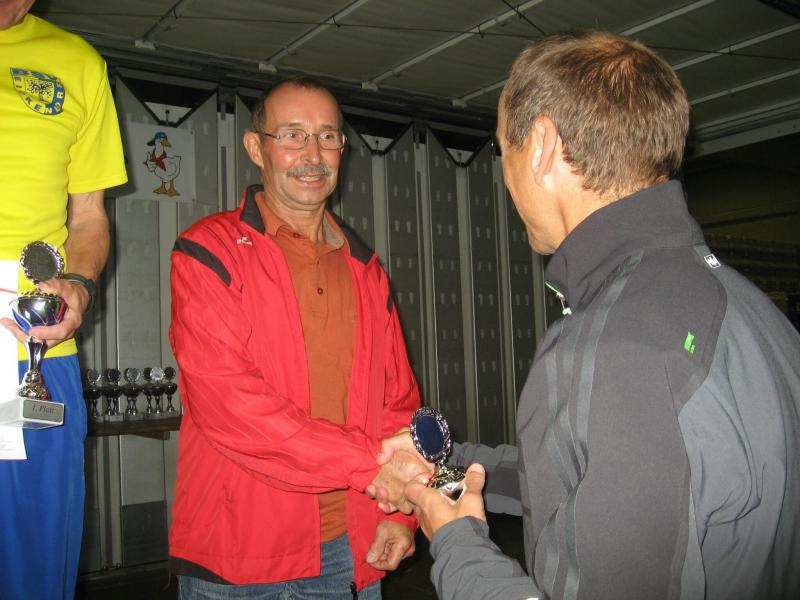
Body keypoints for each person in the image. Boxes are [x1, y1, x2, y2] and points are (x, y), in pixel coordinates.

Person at [381, 30, 800, 600]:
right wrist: (447, 470)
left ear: (542, 146)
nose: (505, 177)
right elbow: (601, 478)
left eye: (504, 150)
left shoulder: (616, 343)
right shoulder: (739, 303)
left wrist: (458, 544)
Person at [168, 77, 430, 599]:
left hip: (349, 547)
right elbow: (231, 406)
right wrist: (370, 466)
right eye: (292, 135)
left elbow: (397, 401)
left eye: (328, 137)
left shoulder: (365, 268)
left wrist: (399, 515)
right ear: (255, 148)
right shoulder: (209, 251)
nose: (313, 155)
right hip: (238, 554)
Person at [0, 1, 128, 599]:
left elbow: (89, 216)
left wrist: (78, 283)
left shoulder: (76, 63)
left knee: (34, 565)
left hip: (34, 348)